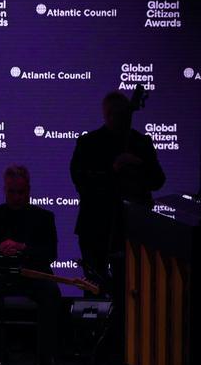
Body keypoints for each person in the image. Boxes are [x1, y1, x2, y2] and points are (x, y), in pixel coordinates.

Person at [0, 165, 63, 365]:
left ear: (29, 190)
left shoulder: (44, 217)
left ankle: (47, 356)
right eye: (12, 192)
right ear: (5, 190)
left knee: (52, 293)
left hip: (33, 276)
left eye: (21, 192)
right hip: (0, 276)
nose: (17, 197)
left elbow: (50, 252)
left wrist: (22, 247)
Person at [70, 90, 165, 294]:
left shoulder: (140, 142)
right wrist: (112, 169)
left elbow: (158, 180)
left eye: (123, 115)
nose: (121, 120)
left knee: (133, 286)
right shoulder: (89, 142)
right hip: (95, 225)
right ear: (107, 115)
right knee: (94, 286)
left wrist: (138, 164)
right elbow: (80, 180)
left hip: (134, 226)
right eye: (115, 115)